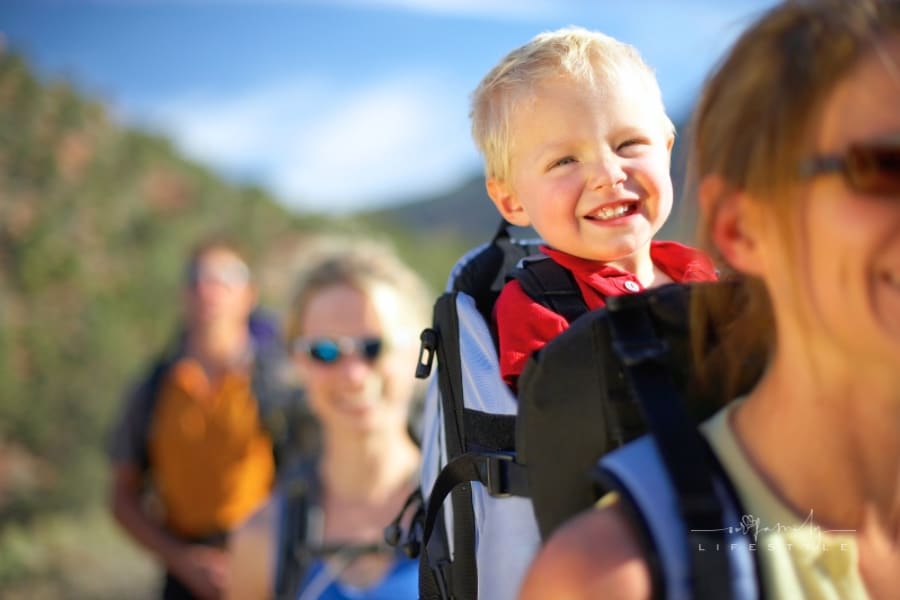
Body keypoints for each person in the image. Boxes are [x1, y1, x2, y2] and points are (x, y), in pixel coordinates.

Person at [519, 0, 900, 598]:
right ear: (742, 228)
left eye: (629, 146)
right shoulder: (614, 578)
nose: (607, 175)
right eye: (883, 167)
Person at [470, 26, 718, 389]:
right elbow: (560, 429)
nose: (607, 175)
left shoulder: (704, 272)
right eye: (565, 161)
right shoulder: (536, 306)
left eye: (629, 144)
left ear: (665, 152)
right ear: (512, 200)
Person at [226, 237, 432, 600]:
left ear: (417, 351)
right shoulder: (261, 539)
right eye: (324, 352)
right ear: (296, 362)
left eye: (374, 348)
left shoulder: (472, 519)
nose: (353, 374)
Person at [109, 236, 292, 600]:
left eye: (225, 276)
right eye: (196, 277)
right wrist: (183, 560)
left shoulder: (283, 384)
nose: (208, 288)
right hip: (183, 578)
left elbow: (311, 478)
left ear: (249, 294)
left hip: (271, 568)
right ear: (183, 294)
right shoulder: (153, 389)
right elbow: (121, 496)